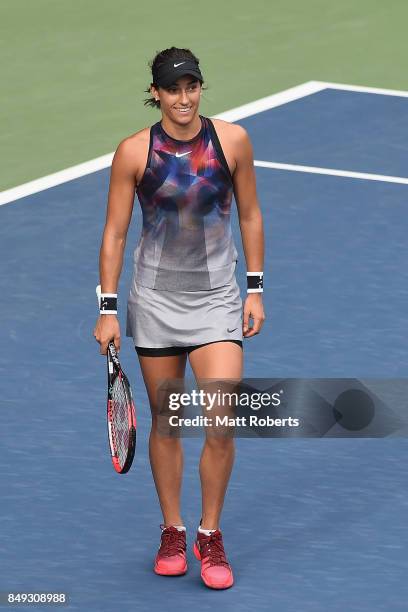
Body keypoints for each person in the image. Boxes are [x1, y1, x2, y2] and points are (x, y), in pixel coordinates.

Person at [94, 46, 265, 590]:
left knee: (221, 419)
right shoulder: (133, 152)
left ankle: (209, 535)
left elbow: (251, 213)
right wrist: (107, 307)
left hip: (217, 300)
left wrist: (254, 290)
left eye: (191, 87)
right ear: (156, 94)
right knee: (168, 423)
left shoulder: (232, 141)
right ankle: (172, 529)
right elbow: (115, 234)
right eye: (172, 89)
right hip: (156, 303)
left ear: (200, 88)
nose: (184, 98)